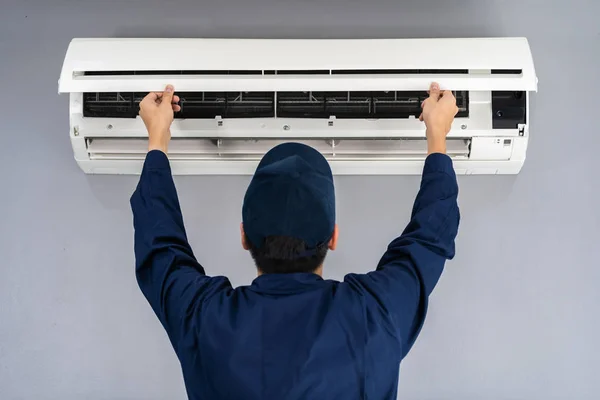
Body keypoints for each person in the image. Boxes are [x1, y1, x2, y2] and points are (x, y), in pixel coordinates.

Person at [130, 82, 460, 400]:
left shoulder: (205, 321)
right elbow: (430, 236)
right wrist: (437, 135)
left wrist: (158, 136)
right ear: (333, 238)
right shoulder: (374, 315)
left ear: (244, 237)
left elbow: (159, 244)